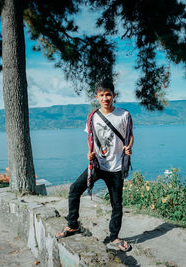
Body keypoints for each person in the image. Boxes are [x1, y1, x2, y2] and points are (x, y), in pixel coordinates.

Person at [56, 80, 133, 252]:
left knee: (116, 203)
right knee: (75, 189)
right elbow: (90, 138)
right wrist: (89, 153)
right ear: (96, 97)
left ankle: (114, 238)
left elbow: (130, 136)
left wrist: (129, 147)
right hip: (97, 164)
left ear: (114, 95)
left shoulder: (124, 115)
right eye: (102, 95)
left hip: (116, 167)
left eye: (108, 94)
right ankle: (72, 224)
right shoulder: (93, 117)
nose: (105, 98)